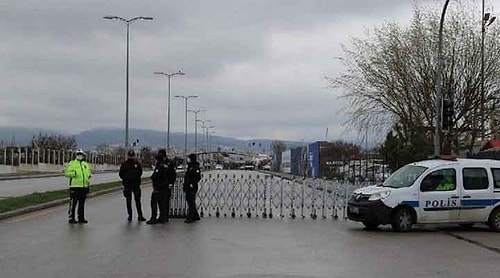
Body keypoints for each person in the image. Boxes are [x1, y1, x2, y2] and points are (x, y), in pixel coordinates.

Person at [64, 149, 92, 224]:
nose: (80, 156)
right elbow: (66, 173)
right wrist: (74, 173)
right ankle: (71, 218)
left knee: (82, 204)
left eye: (81, 154)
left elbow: (89, 174)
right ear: (76, 155)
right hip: (75, 186)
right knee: (73, 203)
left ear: (83, 156)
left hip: (84, 187)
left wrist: (88, 177)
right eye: (78, 154)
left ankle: (81, 218)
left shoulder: (85, 164)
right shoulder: (72, 163)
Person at [119, 149, 146, 222]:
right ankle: (130, 215)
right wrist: (126, 180)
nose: (131, 157)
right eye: (130, 156)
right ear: (128, 156)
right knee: (128, 201)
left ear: (134, 156)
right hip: (127, 185)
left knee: (137, 200)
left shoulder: (137, 164)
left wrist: (135, 179)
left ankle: (140, 215)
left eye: (132, 156)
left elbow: (140, 172)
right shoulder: (124, 164)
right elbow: (121, 174)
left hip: (136, 185)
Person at [147, 149, 169, 225]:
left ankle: (153, 218)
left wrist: (152, 178)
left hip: (158, 188)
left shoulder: (160, 167)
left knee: (154, 203)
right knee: (162, 204)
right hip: (163, 188)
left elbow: (155, 176)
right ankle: (163, 218)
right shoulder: (165, 166)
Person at [183, 153, 201, 223]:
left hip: (192, 187)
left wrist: (192, 184)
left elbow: (198, 177)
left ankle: (191, 217)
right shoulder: (190, 166)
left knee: (191, 201)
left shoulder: (195, 167)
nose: (188, 159)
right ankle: (196, 216)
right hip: (188, 186)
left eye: (189, 158)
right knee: (190, 201)